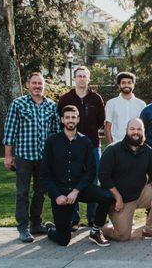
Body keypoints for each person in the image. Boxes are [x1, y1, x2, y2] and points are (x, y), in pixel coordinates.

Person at [40, 105, 113, 247]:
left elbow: (90, 171)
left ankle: (96, 230)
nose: (70, 120)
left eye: (73, 117)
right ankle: (50, 229)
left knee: (106, 196)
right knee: (63, 240)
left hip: (79, 190)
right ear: (62, 119)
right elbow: (44, 174)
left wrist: (76, 190)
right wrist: (56, 195)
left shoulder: (85, 141)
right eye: (67, 117)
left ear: (78, 119)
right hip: (60, 193)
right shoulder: (52, 141)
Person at [3, 72, 61, 242]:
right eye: (34, 83)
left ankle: (36, 223)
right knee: (22, 192)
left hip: (44, 158)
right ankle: (23, 228)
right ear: (28, 85)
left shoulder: (51, 105)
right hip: (24, 156)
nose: (37, 86)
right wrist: (8, 155)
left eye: (40, 83)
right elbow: (10, 131)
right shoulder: (18, 104)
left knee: (40, 192)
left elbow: (56, 132)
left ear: (44, 85)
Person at [99, 118, 152, 241]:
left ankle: (150, 231)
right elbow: (104, 177)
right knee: (122, 236)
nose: (135, 132)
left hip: (140, 194)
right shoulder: (113, 149)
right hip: (119, 200)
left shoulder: (147, 150)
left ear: (143, 131)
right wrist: (117, 197)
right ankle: (102, 228)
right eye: (132, 129)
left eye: (139, 129)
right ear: (126, 131)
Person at [58, 66, 106, 229]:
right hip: (71, 145)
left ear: (88, 79)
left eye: (84, 76)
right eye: (78, 76)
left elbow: (101, 121)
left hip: (92, 145)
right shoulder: (66, 98)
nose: (81, 79)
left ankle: (92, 217)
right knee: (72, 178)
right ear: (74, 78)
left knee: (93, 180)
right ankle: (73, 218)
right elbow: (61, 119)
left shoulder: (96, 98)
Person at [104, 72, 146, 144]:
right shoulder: (111, 103)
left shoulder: (141, 104)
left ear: (133, 85)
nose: (126, 85)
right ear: (119, 85)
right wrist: (111, 146)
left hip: (136, 145)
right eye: (123, 83)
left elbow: (144, 127)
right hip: (117, 144)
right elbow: (107, 128)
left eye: (129, 83)